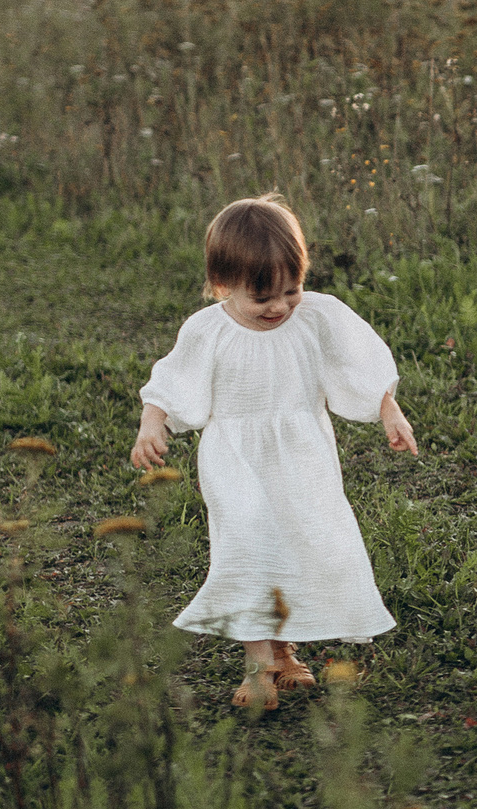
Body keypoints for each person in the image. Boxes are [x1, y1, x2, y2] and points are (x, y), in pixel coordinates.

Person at [131, 194, 418, 709]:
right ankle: (258, 667)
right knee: (249, 549)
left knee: (299, 546)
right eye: (262, 297)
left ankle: (284, 652)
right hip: (236, 465)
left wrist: (388, 409)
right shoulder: (208, 331)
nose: (280, 307)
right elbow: (174, 381)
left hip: (304, 462)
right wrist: (153, 423)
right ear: (224, 284)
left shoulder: (316, 318)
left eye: (292, 290)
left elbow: (356, 366)